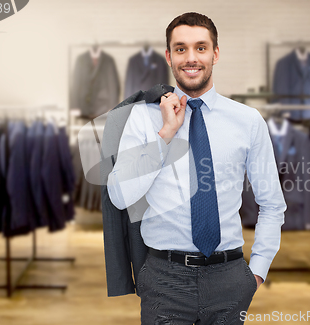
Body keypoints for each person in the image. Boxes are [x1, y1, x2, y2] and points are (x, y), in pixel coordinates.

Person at [107, 12, 286, 324]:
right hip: (164, 277)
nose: (191, 58)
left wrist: (257, 271)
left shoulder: (248, 120)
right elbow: (119, 196)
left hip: (230, 277)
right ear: (169, 56)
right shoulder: (143, 119)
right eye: (180, 49)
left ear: (215, 53)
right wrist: (165, 135)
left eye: (201, 48)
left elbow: (272, 203)